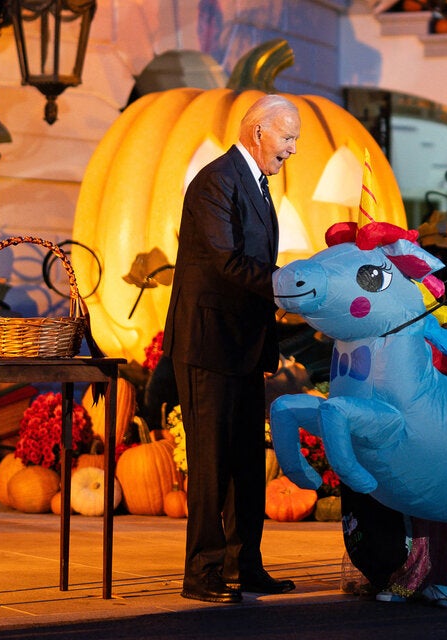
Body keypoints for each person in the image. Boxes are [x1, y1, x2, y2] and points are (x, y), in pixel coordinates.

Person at [163, 94, 300, 604]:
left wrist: (286, 289)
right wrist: (289, 286)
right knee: (210, 464)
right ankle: (201, 574)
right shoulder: (216, 180)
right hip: (208, 344)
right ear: (257, 132)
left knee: (246, 461)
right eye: (287, 137)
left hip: (244, 343)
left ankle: (245, 566)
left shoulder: (259, 184)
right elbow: (226, 260)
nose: (292, 149)